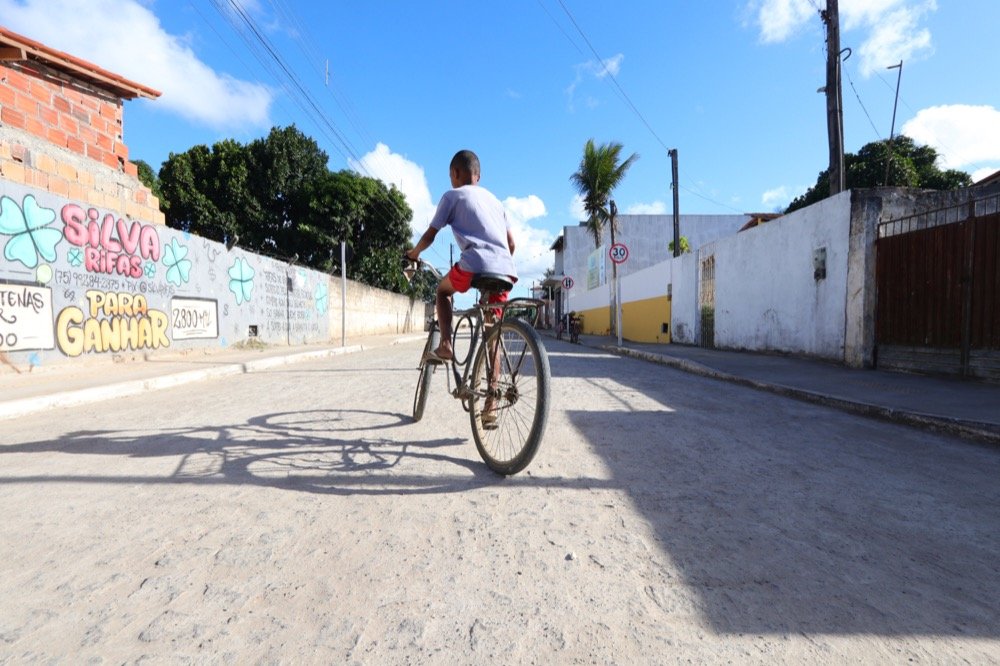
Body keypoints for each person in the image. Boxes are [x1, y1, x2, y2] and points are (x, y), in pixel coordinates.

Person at [406, 149, 517, 363]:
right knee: (492, 335)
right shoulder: (496, 202)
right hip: (506, 271)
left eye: (450, 177)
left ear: (455, 173)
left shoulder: (452, 196)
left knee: (442, 292)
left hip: (474, 264)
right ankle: (492, 395)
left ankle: (446, 344)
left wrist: (413, 253)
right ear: (478, 176)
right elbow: (511, 244)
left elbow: (430, 235)